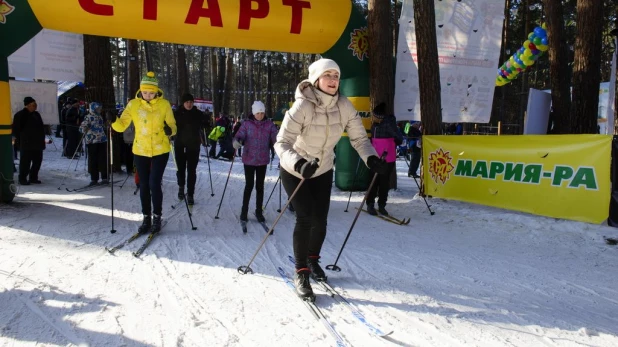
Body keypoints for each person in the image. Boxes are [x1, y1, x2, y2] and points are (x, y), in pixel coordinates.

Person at [274, 58, 387, 299]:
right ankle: (301, 271)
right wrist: (299, 163)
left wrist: (371, 159)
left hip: (323, 169)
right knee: (304, 218)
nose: (334, 81)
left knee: (321, 221)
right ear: (316, 79)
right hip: (296, 169)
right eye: (328, 76)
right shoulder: (302, 106)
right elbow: (281, 143)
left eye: (336, 76)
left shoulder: (344, 106)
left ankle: (313, 260)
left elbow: (359, 139)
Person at [112, 72, 177, 234]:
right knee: (144, 184)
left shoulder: (164, 105)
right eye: (145, 92)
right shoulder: (134, 105)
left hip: (160, 149)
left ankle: (157, 217)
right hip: (140, 150)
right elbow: (121, 126)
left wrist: (171, 130)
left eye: (151, 92)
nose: (148, 95)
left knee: (155, 183)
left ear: (157, 91)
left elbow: (173, 126)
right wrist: (112, 120)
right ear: (140, 91)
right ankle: (146, 217)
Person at [233, 101, 278, 223]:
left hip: (262, 160)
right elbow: (239, 135)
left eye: (262, 113)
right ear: (254, 113)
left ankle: (259, 211)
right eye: (258, 113)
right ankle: (244, 211)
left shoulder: (269, 125)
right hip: (249, 159)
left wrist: (279, 144)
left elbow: (275, 137)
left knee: (260, 187)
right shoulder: (247, 124)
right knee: (249, 186)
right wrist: (237, 141)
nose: (260, 115)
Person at [366, 103, 403, 216]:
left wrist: (394, 141)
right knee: (373, 180)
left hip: (387, 157)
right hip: (374, 156)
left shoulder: (389, 124)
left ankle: (381, 205)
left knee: (383, 182)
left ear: (380, 116)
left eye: (374, 116)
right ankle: (370, 203)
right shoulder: (375, 124)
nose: (373, 118)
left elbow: (399, 138)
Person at [174, 93, 208, 205]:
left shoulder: (198, 114)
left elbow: (206, 125)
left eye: (191, 102)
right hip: (180, 145)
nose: (189, 104)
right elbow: (169, 124)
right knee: (180, 168)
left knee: (192, 170)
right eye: (187, 102)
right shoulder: (176, 113)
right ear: (183, 103)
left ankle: (190, 194)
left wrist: (206, 123)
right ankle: (181, 186)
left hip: (193, 145)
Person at [13, 97, 46, 185]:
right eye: (33, 105)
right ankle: (22, 178)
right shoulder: (20, 115)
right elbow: (16, 130)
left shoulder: (36, 114)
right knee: (25, 162)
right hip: (26, 142)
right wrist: (19, 141)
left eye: (35, 105)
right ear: (27, 105)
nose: (35, 106)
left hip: (37, 142)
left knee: (37, 161)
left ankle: (33, 177)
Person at [79, 102, 109, 185]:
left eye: (100, 108)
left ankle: (104, 177)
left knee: (102, 159)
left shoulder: (100, 117)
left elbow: (102, 126)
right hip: (92, 141)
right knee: (93, 159)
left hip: (101, 140)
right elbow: (81, 128)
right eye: (98, 108)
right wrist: (85, 128)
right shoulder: (88, 117)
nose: (99, 110)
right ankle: (94, 178)